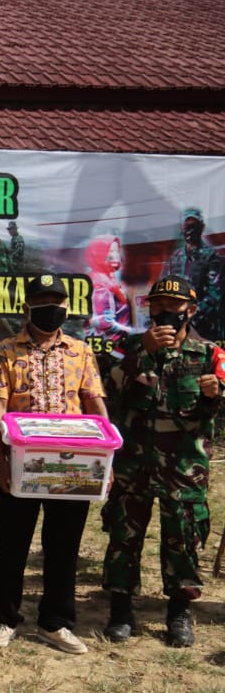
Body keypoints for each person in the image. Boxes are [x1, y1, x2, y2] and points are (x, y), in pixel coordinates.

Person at [0, 273, 108, 654]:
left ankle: (56, 623)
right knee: (11, 545)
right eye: (41, 302)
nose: (50, 308)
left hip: (73, 465)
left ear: (66, 307)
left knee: (64, 547)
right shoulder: (5, 350)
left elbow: (94, 402)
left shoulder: (80, 351)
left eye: (56, 301)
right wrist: (1, 463)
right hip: (22, 465)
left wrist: (107, 458)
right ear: (27, 308)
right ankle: (4, 619)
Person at [101, 275, 224, 648]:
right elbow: (109, 392)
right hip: (133, 462)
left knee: (183, 539)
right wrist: (144, 354)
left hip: (184, 467)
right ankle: (121, 610)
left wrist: (213, 395)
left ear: (191, 309)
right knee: (124, 536)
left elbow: (211, 412)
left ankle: (178, 612)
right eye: (158, 306)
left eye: (174, 306)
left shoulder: (209, 353)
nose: (165, 312)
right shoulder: (130, 346)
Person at [160, 208, 223, 343]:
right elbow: (163, 288)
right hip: (177, 327)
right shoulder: (176, 257)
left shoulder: (212, 257)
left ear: (201, 227)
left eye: (194, 226)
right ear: (181, 229)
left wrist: (190, 316)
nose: (190, 230)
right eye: (187, 227)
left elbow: (214, 295)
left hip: (204, 328)